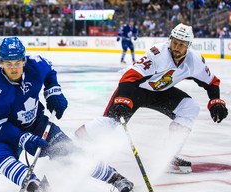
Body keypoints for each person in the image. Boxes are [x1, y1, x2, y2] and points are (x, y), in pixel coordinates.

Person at [0, 37, 135, 192]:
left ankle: (116, 178)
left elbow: (50, 72)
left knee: (70, 152)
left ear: (24, 59)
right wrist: (23, 138)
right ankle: (41, 189)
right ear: (0, 63)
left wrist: (53, 93)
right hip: (7, 133)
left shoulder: (36, 65)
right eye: (8, 63)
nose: (14, 68)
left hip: (36, 124)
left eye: (17, 62)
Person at [75, 23, 228, 174]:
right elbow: (129, 78)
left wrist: (215, 102)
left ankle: (168, 156)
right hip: (135, 89)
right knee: (112, 120)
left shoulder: (194, 61)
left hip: (160, 92)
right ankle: (80, 140)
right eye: (174, 42)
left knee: (190, 108)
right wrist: (123, 101)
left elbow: (212, 82)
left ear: (189, 46)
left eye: (181, 45)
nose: (176, 47)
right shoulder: (157, 55)